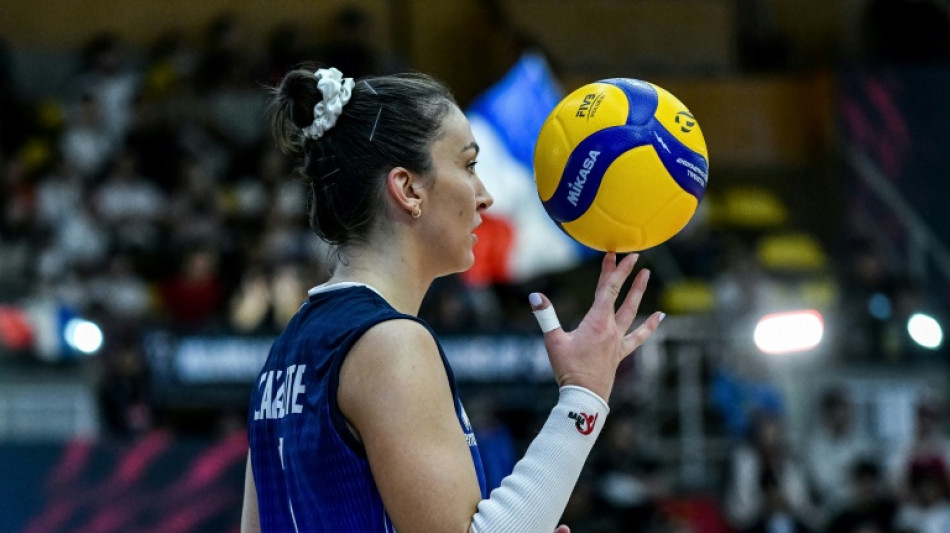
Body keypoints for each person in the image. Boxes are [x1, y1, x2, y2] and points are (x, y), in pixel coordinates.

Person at [240, 65, 664, 532]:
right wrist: (583, 393)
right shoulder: (389, 344)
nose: (485, 196)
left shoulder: (283, 354)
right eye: (469, 165)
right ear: (407, 188)